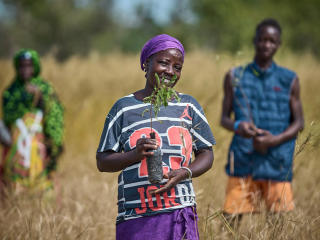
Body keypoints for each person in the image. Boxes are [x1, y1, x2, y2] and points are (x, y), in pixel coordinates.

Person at [96, 34, 216, 240]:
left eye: (177, 67)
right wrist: (135, 154)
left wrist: (185, 172)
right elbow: (102, 161)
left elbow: (206, 153)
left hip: (180, 211)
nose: (170, 71)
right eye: (164, 63)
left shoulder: (188, 106)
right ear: (146, 63)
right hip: (136, 215)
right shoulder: (123, 108)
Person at [220, 18, 304, 225]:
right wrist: (239, 127)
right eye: (262, 40)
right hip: (243, 158)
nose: (267, 45)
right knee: (231, 219)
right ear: (254, 41)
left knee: (278, 223)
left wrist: (274, 140)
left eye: (272, 41)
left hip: (276, 160)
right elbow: (224, 119)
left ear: (279, 44)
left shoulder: (289, 79)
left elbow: (299, 123)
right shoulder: (235, 76)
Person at [1, 49, 64, 196]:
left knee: (41, 179)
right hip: (17, 145)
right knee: (14, 182)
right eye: (22, 66)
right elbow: (8, 116)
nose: (25, 70)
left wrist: (40, 96)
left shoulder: (44, 89)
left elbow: (54, 113)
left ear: (35, 67)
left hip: (38, 142)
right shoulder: (10, 92)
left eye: (29, 66)